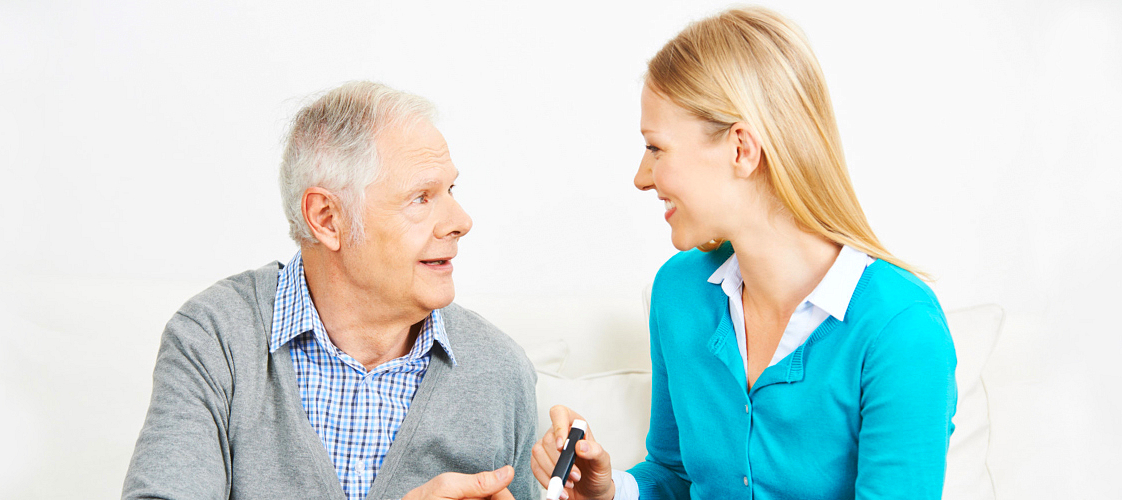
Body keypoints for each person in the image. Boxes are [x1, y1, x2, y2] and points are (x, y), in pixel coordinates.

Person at [530, 7, 958, 500]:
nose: (641, 177)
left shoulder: (901, 328)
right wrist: (609, 493)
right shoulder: (679, 293)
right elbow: (677, 474)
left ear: (741, 149)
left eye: (656, 148)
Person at [124, 81, 538, 500]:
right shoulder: (216, 339)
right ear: (326, 218)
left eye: (450, 190)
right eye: (420, 197)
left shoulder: (501, 370)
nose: (460, 221)